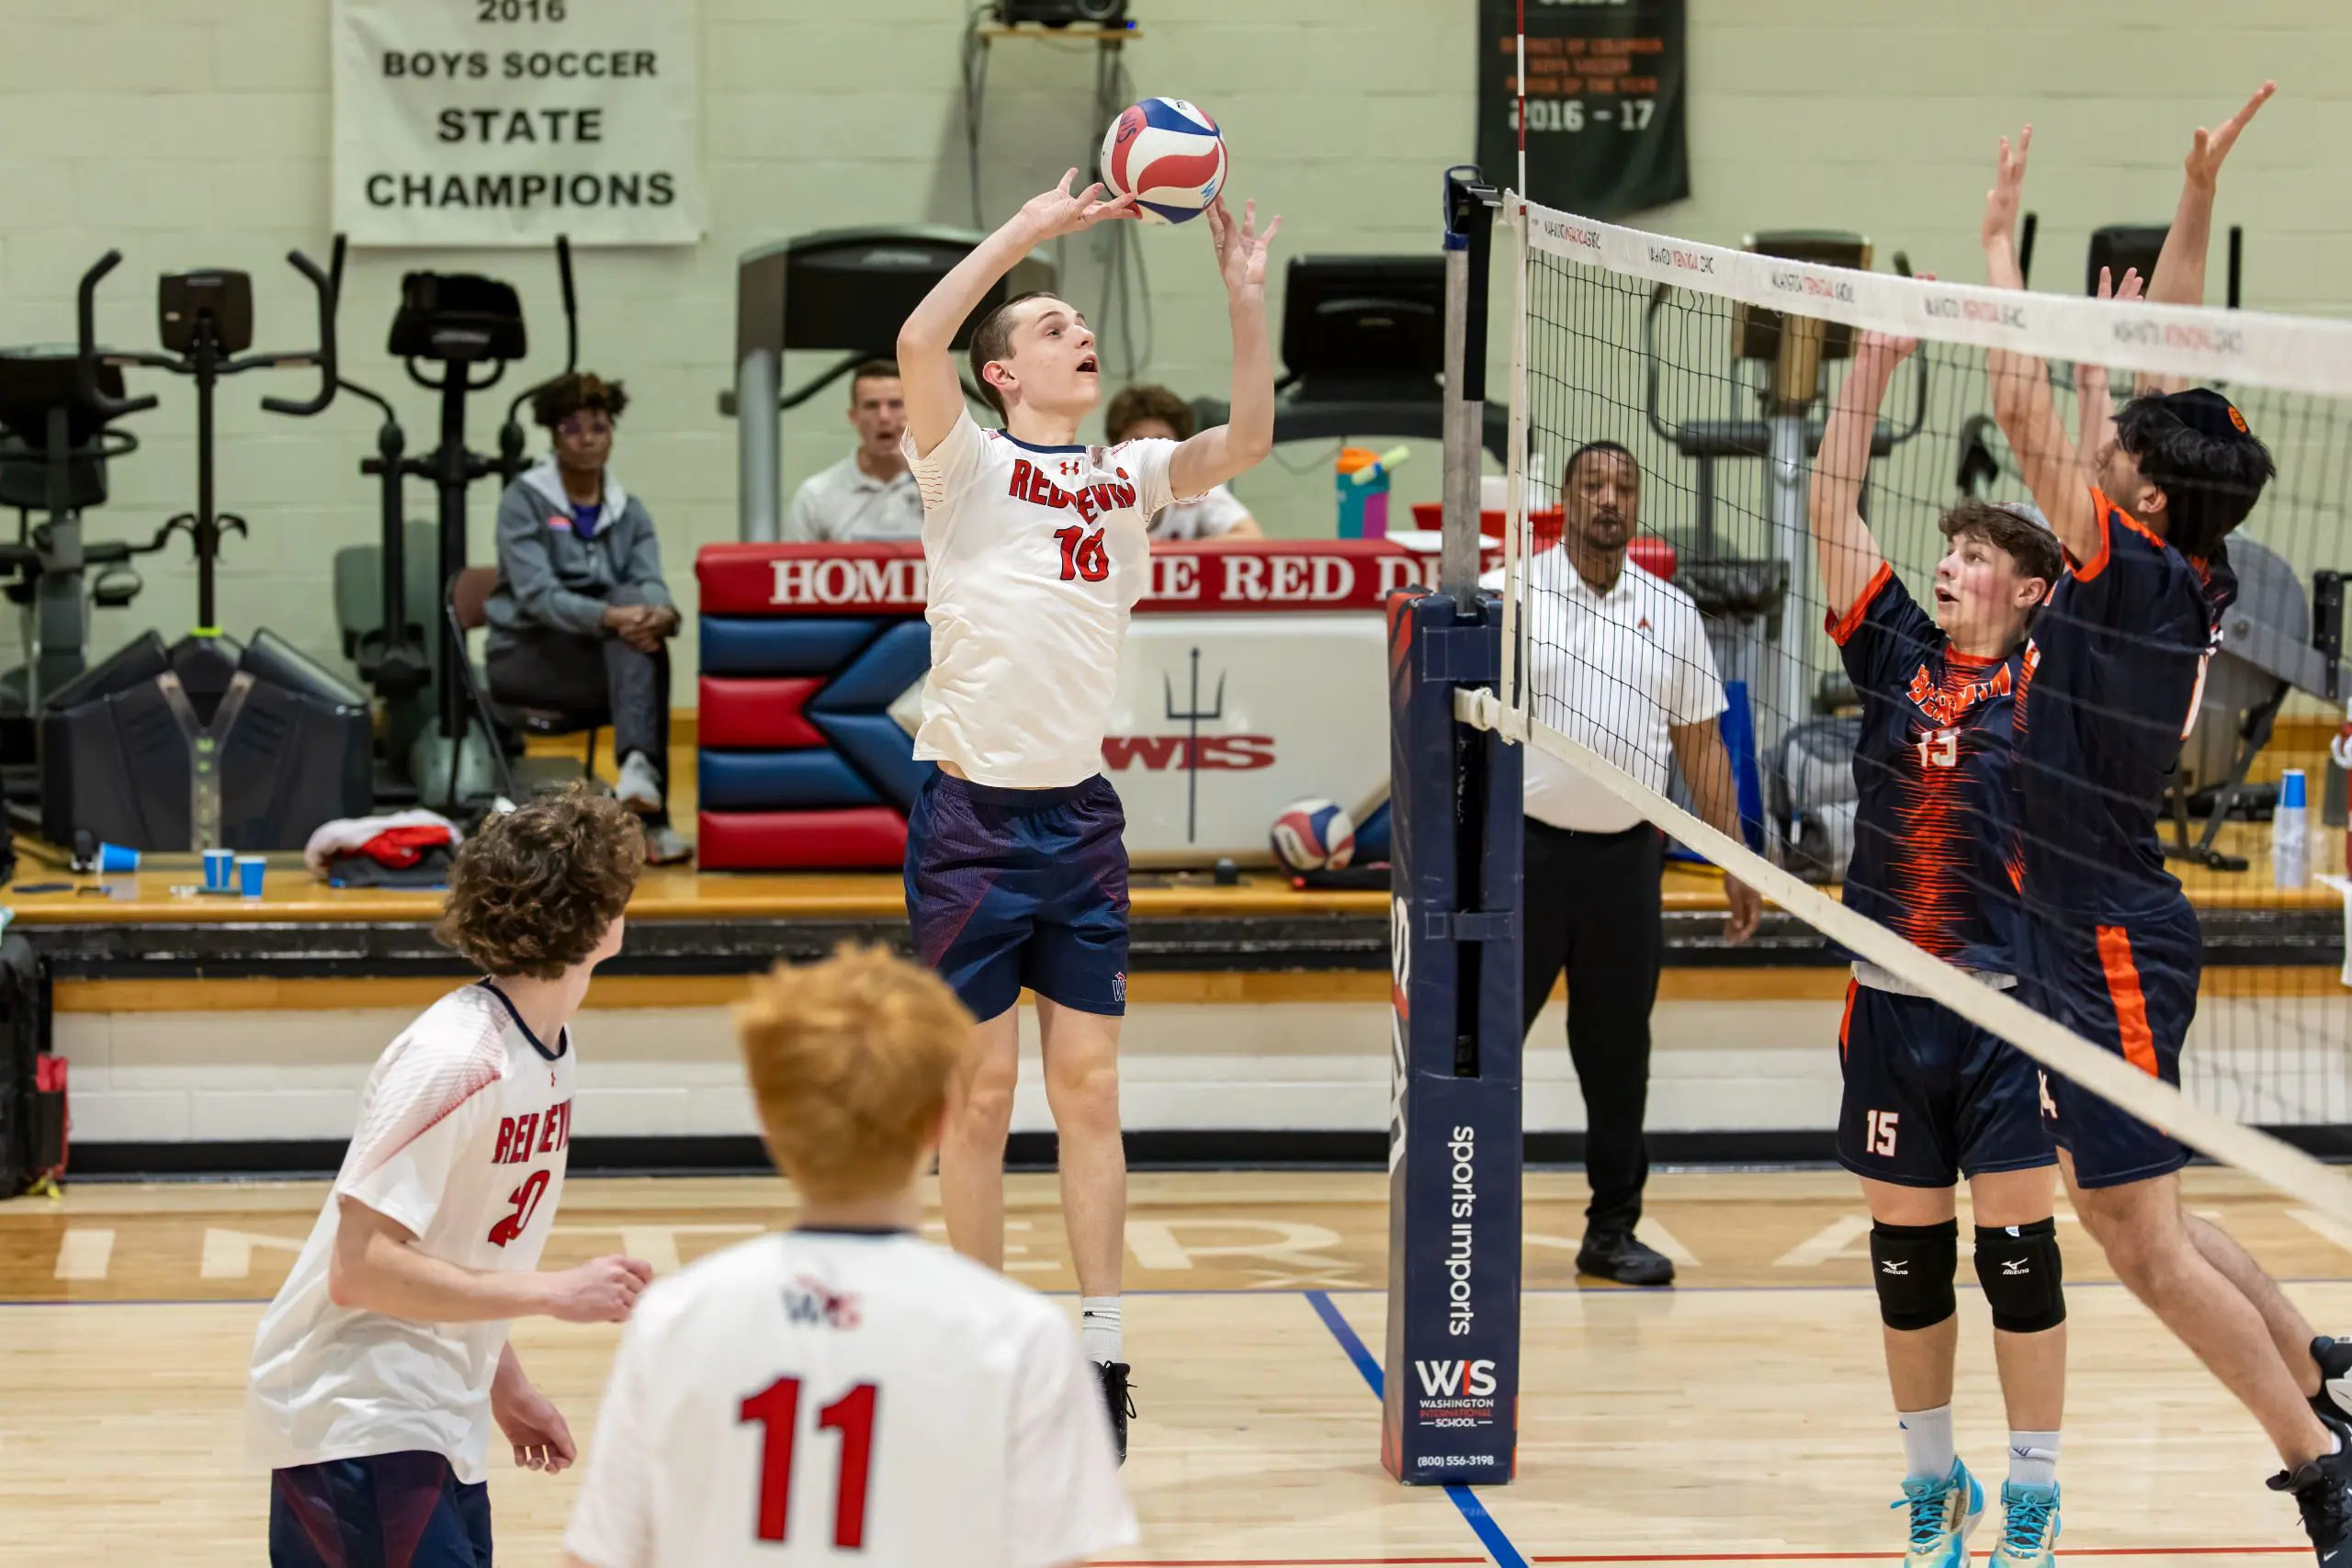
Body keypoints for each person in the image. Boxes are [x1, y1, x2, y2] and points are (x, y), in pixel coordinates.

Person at [1982, 95, 2352, 1561]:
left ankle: (2322, 1467)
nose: (2115, 439)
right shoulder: (2178, 545)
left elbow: (2027, 407)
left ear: (2139, 482)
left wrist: (2001, 264)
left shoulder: (2133, 564)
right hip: (2096, 919)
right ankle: (2330, 1382)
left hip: (2108, 932)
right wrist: (2197, 192)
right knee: (2156, 1224)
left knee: (2134, 1239)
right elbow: (2189, 373)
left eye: (2123, 440)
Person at [892, 171, 1282, 1460]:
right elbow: (913, 343)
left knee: (1092, 1090)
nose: (1074, 336)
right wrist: (1028, 236)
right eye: (1047, 329)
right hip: (968, 824)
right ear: (1005, 375)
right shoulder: (965, 466)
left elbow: (1247, 447)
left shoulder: (1124, 475)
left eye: (1076, 325)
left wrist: (1243, 304)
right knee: (979, 1102)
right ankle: (984, 1349)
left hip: (1078, 822)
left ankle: (1102, 1351)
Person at [560, 944, 1136, 1568]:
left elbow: (596, 1556)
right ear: (940, 1120)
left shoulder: (673, 1320)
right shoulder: (1021, 1338)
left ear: (766, 1119)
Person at [1812, 321, 2068, 1568]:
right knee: (1907, 1260)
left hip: (2011, 1013)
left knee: (2017, 1255)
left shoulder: (2055, 687)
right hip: (1889, 1001)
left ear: (2027, 589)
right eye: (1950, 549)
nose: (1950, 563)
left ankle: (2034, 1488)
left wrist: (2077, 376)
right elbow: (1830, 498)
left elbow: (2110, 560)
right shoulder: (1894, 650)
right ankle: (1932, 1480)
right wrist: (1875, 361)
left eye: (1975, 555)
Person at [246, 786, 654, 1568]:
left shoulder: (550, 1043)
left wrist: (506, 1386)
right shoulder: (455, 1060)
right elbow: (361, 1267)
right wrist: (553, 1293)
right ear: (593, 920)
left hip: (436, 1416)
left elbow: (458, 1247)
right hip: (356, 1415)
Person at [1487, 440, 1762, 1286]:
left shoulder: (1671, 610)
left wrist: (1733, 855)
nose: (1609, 499)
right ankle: (1462, 1225)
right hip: (1523, 861)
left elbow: (1701, 745)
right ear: (1565, 497)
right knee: (1486, 1051)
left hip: (1624, 869)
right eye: (1593, 484)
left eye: (1624, 487)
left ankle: (1612, 1231)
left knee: (1616, 1059)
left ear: (1638, 504)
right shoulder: (1513, 595)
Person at [486, 372, 690, 864]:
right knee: (634, 639)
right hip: (528, 656)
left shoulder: (629, 510)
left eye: (598, 427)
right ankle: (651, 819)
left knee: (646, 638)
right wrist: (616, 616)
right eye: (572, 428)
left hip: (603, 660)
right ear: (554, 436)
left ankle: (640, 773)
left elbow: (651, 582)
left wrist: (659, 613)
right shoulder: (524, 500)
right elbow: (539, 597)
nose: (587, 439)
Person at [782, 359, 926, 542]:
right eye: (872, 406)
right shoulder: (817, 495)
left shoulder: (944, 490)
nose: (884, 417)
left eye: (895, 405)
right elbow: (794, 566)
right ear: (854, 417)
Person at [1104, 383, 1263, 540]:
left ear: (1180, 447)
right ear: (1117, 448)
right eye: (1138, 441)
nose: (1150, 452)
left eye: (1161, 440)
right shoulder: (1095, 488)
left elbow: (1252, 537)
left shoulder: (1200, 486)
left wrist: (1176, 554)